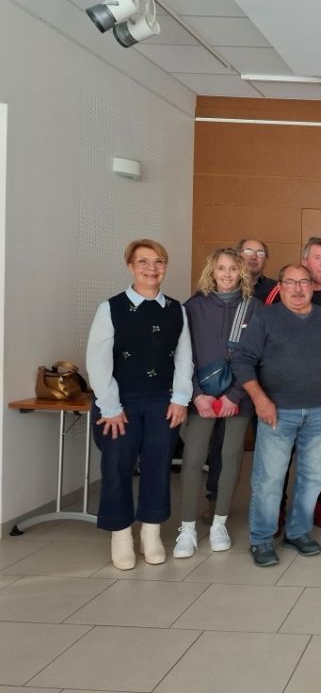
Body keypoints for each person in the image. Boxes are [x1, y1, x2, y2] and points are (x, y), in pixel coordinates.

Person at [86, 239, 192, 570]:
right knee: (117, 467)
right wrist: (110, 406)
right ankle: (120, 534)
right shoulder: (111, 308)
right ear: (130, 266)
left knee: (158, 465)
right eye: (143, 261)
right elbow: (98, 361)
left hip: (163, 400)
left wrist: (180, 398)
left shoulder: (176, 309)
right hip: (120, 401)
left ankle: (150, 531)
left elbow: (185, 357)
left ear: (165, 266)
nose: (151, 268)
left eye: (158, 261)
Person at [231, 263, 321, 566]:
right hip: (276, 412)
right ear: (280, 287)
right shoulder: (265, 318)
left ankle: (297, 532)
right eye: (291, 283)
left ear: (312, 285)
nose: (298, 289)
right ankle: (262, 539)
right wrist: (260, 399)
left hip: (320, 412)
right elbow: (242, 360)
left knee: (312, 478)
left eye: (304, 282)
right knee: (269, 479)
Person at [172, 248, 263, 558]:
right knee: (194, 456)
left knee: (230, 456)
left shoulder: (254, 308)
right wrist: (197, 394)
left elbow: (257, 356)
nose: (226, 275)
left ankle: (219, 523)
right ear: (211, 271)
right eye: (221, 268)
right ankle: (187, 528)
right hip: (202, 398)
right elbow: (183, 356)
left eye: (232, 269)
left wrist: (234, 395)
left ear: (242, 273)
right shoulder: (193, 307)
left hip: (238, 397)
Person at [266, 237, 321, 530]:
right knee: (280, 456)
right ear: (304, 261)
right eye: (318, 258)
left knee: (318, 454)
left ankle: (314, 504)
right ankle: (276, 508)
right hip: (283, 395)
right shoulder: (282, 292)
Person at [238, 238, 277, 303]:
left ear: (265, 260)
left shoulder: (276, 290)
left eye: (260, 253)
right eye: (248, 252)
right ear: (238, 256)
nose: (254, 257)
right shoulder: (225, 286)